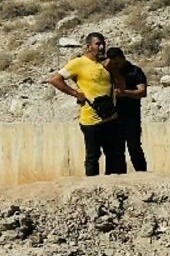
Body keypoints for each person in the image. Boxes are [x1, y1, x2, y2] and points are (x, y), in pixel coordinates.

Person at [48, 32, 126, 176]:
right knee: (93, 156)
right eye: (97, 44)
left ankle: (112, 187)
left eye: (103, 43)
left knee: (114, 155)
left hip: (110, 117)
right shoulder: (78, 63)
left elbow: (121, 86)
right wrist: (76, 93)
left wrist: (113, 69)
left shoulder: (107, 64)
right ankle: (92, 187)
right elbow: (55, 80)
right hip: (91, 120)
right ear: (88, 47)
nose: (101, 47)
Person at [105, 47, 148, 172]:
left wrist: (124, 93)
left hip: (131, 116)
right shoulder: (109, 73)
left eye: (117, 63)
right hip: (114, 117)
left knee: (134, 147)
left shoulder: (135, 71)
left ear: (123, 58)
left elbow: (142, 92)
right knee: (117, 150)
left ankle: (142, 174)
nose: (116, 66)